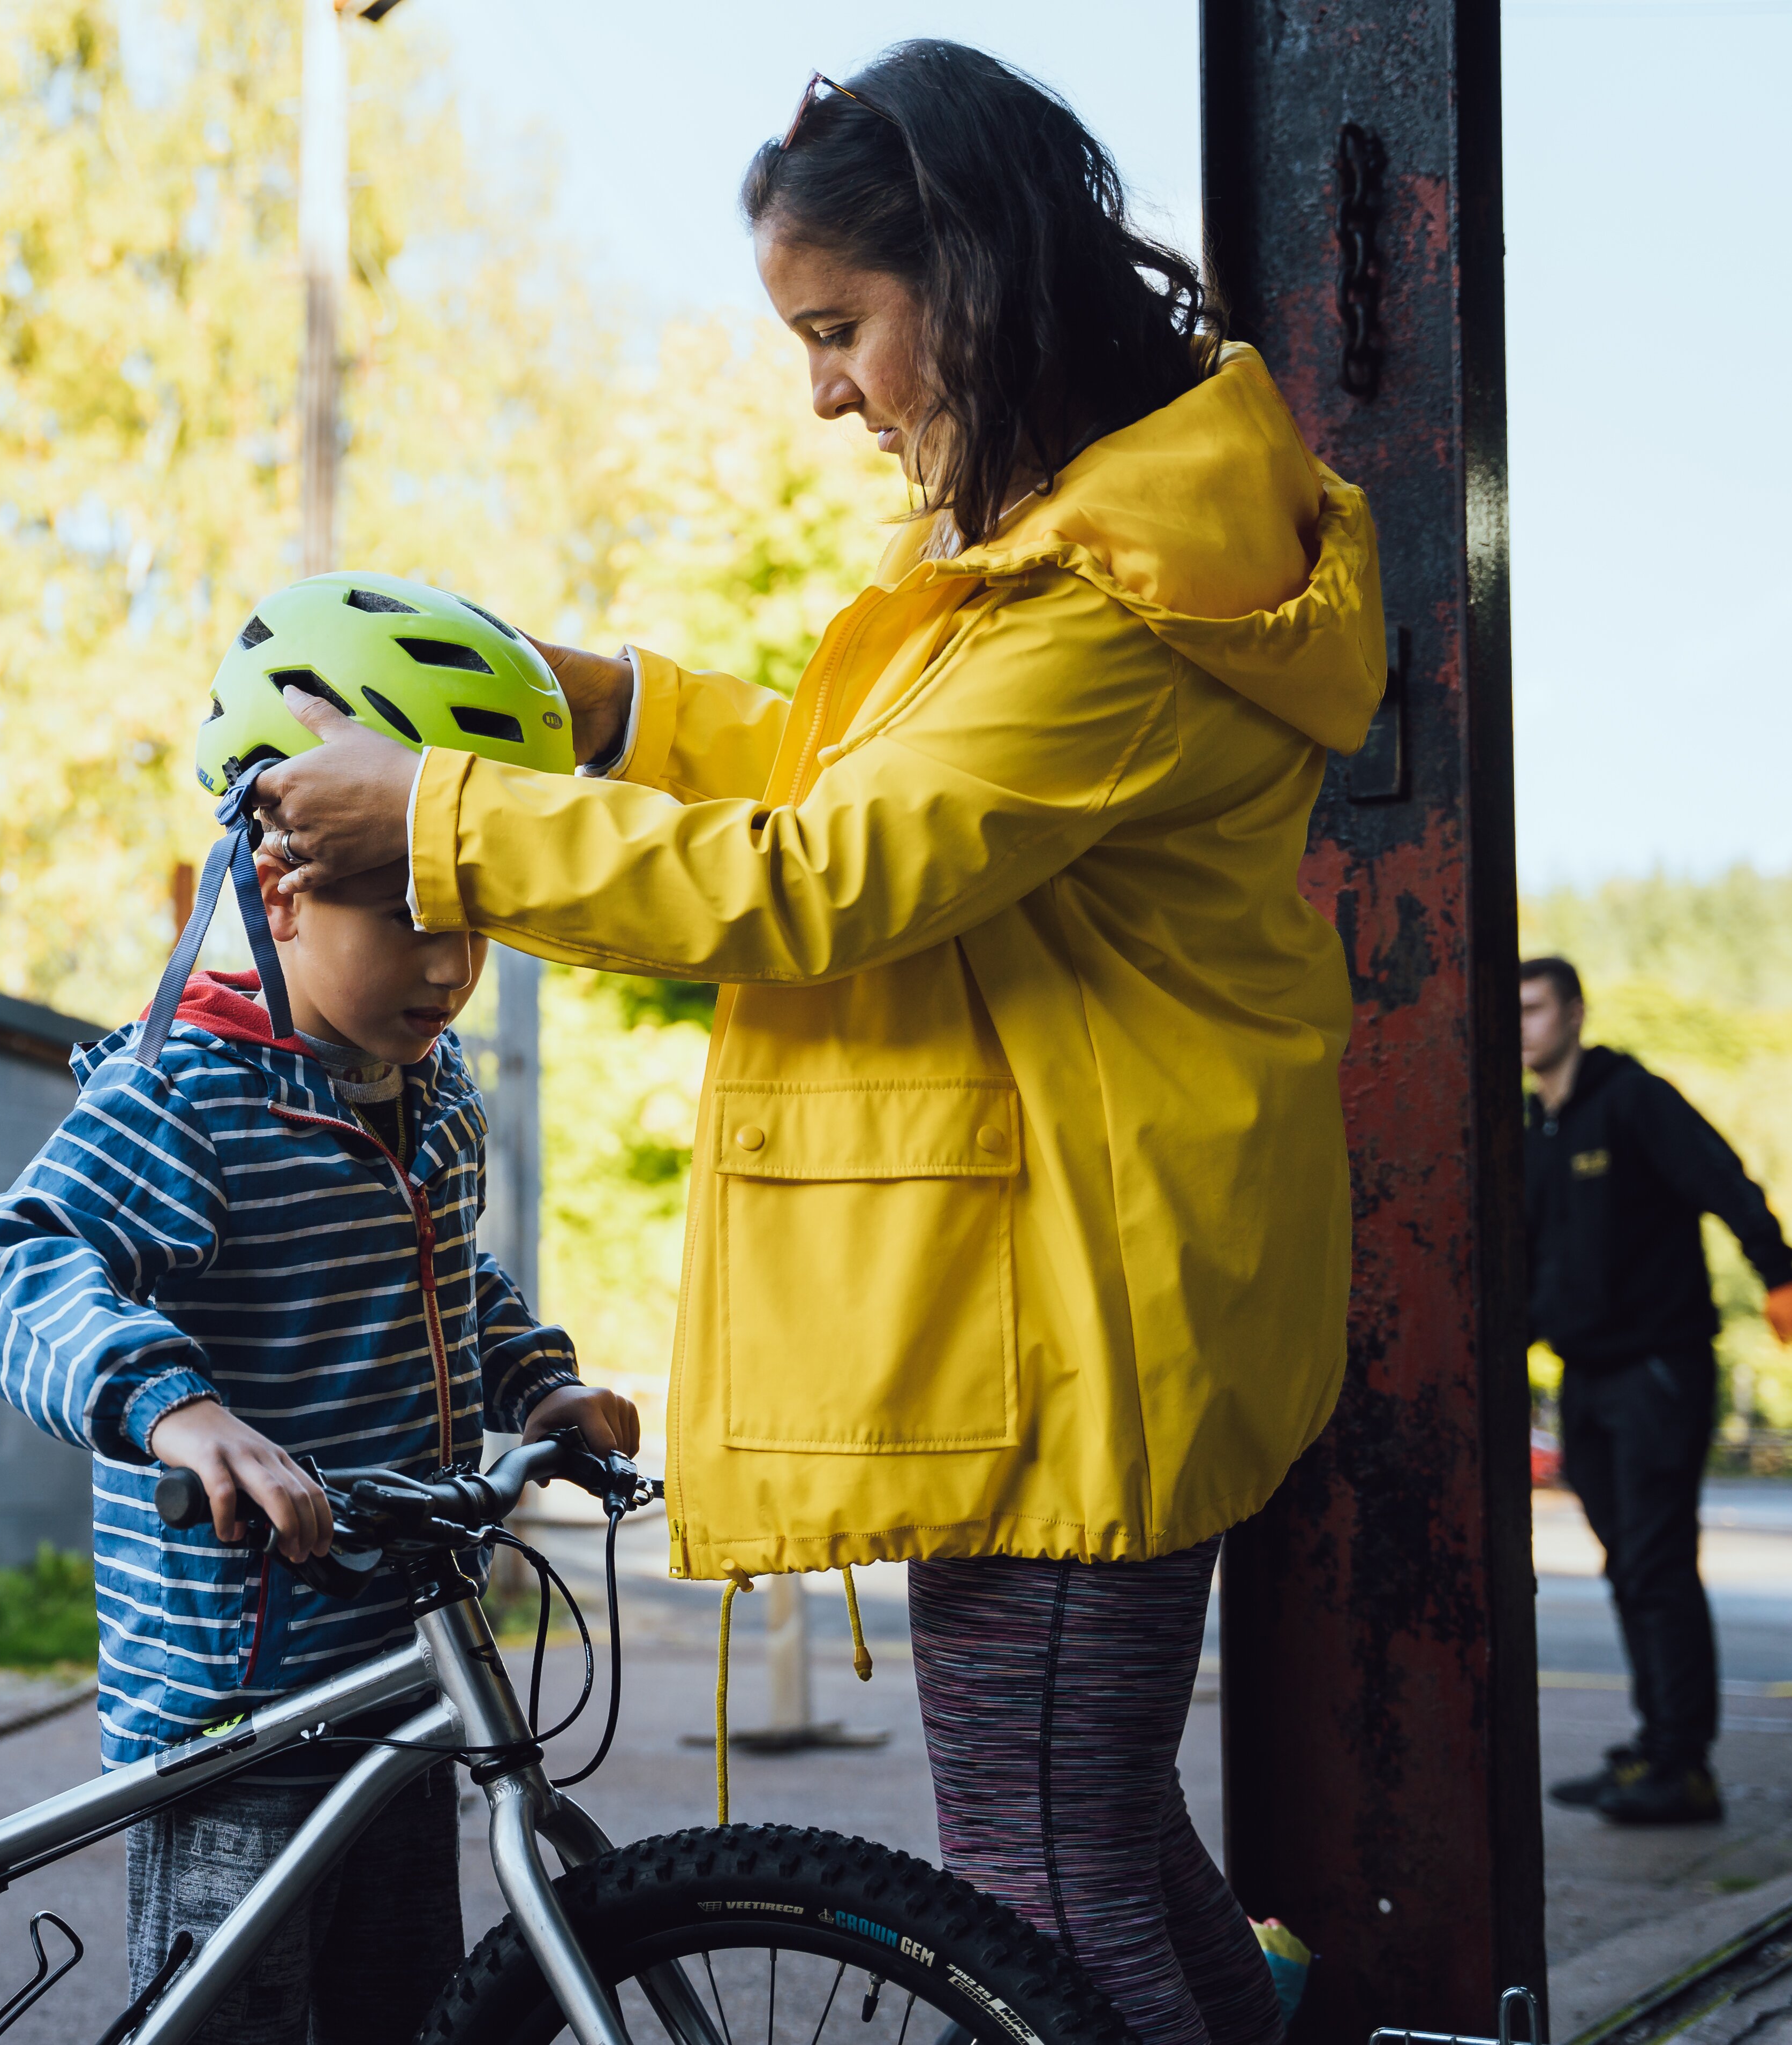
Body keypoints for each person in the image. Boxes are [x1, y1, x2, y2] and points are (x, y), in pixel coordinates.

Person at [246, 42, 1379, 2045]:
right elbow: (856, 784)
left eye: (840, 330)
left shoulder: (1102, 611)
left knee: (1038, 1858)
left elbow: (818, 878)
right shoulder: (1121, 549)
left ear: (975, 275)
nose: (827, 392)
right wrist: (604, 710)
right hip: (1097, 1301)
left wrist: (431, 825)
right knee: (1093, 1833)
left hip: (1065, 1334)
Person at [0, 575, 638, 2045]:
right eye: (410, 913)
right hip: (234, 1700)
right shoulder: (187, 1091)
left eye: (480, 917)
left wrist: (535, 1386)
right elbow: (15, 1267)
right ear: (281, 885)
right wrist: (176, 1405)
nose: (452, 965)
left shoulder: (427, 1096)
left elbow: (452, 1277)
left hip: (405, 1661)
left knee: (411, 2009)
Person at [1522, 955, 1792, 1826]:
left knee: (1656, 1564)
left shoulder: (1631, 1098)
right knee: (1625, 1568)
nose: (1520, 1028)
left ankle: (1684, 1767)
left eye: (1532, 1008)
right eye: (1510, 1013)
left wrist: (1778, 1276)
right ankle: (1653, 1749)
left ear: (1572, 1015)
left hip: (1658, 1366)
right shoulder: (1534, 1129)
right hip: (1586, 1374)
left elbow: (1721, 1177)